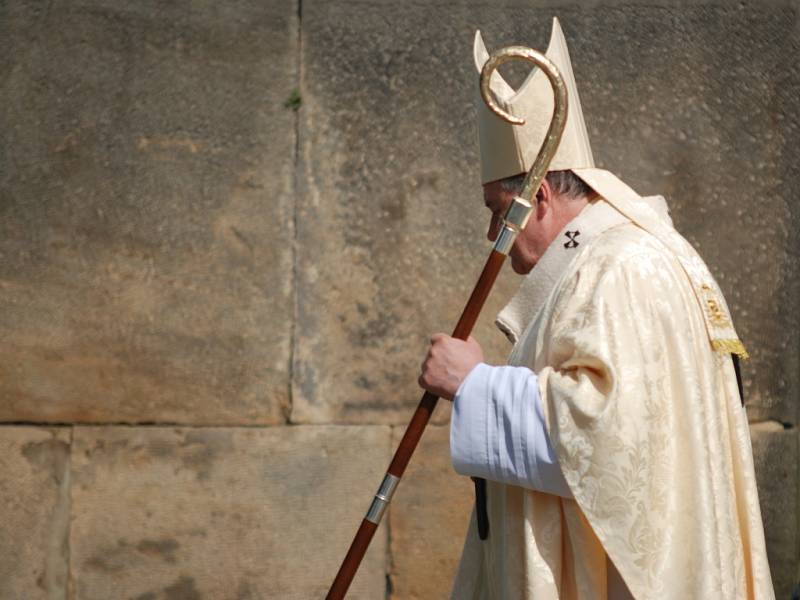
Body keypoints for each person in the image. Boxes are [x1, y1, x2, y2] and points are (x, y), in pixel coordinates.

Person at [418, 17, 775, 599]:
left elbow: (613, 438)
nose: (492, 232)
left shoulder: (620, 268)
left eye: (497, 208)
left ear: (540, 199)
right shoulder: (622, 256)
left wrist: (474, 386)